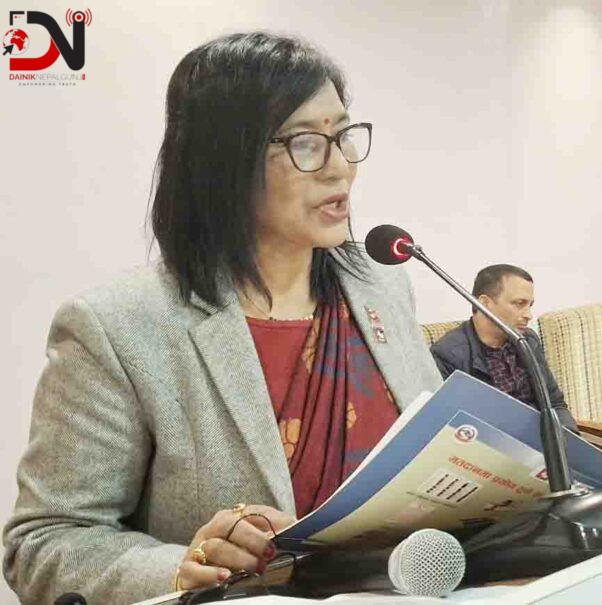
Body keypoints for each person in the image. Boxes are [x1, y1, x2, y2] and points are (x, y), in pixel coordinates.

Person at [2, 33, 442, 604]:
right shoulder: (116, 327)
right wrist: (181, 570)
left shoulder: (381, 283)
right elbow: (42, 543)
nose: (341, 169)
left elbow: (431, 460)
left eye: (343, 136)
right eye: (307, 143)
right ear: (223, 160)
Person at [430, 264, 578, 432]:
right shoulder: (448, 354)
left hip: (542, 441)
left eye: (530, 305)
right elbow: (450, 425)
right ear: (485, 303)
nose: (528, 315)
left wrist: (570, 441)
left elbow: (555, 404)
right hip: (487, 442)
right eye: (519, 304)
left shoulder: (528, 340)